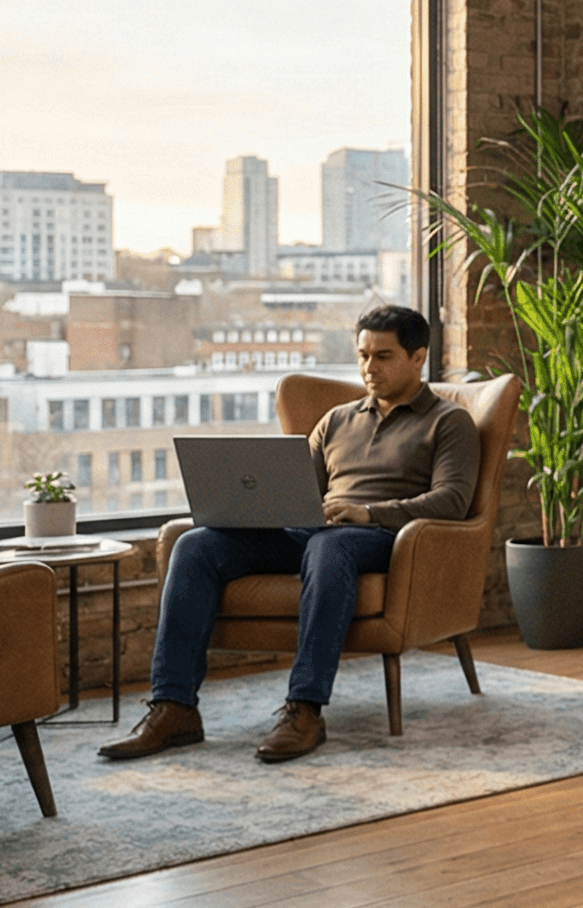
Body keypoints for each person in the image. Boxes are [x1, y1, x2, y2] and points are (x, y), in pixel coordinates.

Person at [100, 304, 477, 764]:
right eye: (362, 355)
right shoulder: (337, 420)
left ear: (418, 358)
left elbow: (453, 501)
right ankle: (174, 707)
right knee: (196, 544)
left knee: (330, 545)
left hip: (382, 538)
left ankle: (305, 708)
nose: (368, 368)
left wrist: (368, 512)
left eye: (383, 356)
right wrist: (259, 509)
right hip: (315, 532)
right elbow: (300, 492)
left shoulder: (448, 421)